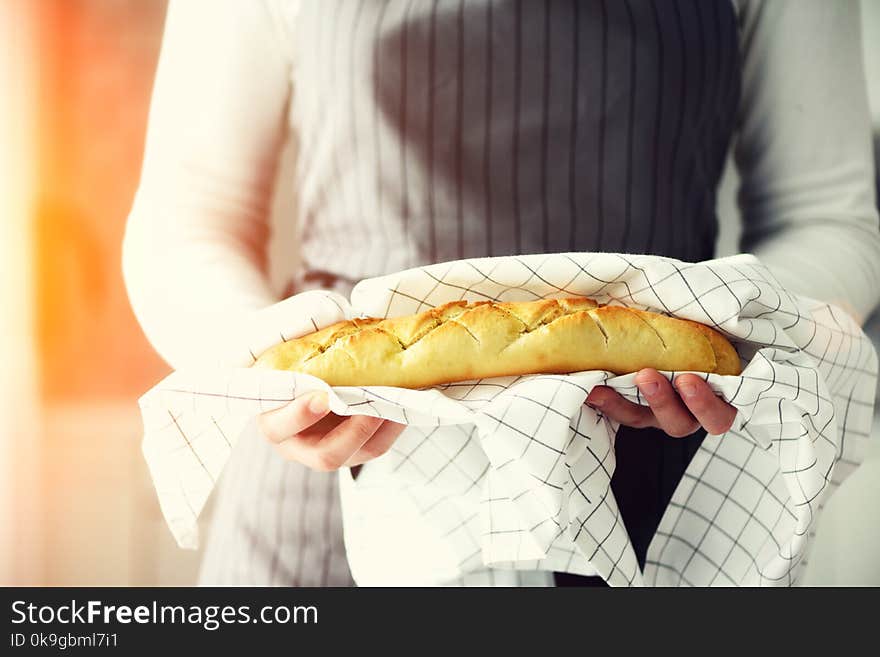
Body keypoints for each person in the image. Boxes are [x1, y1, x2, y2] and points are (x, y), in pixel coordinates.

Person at [124, 0, 880, 586]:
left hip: (646, 481)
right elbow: (189, 221)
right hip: (333, 490)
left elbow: (829, 218)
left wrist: (737, 343)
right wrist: (262, 379)